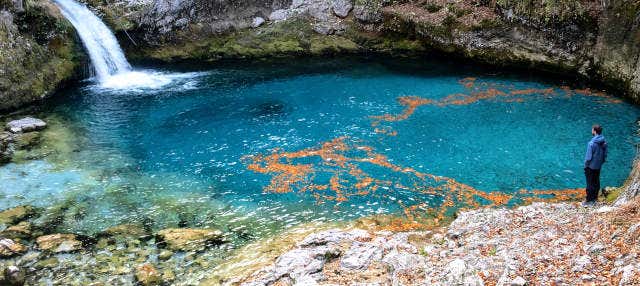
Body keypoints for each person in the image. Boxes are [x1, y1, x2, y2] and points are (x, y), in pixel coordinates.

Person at [584, 124, 607, 206]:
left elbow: (588, 157)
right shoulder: (604, 142)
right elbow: (605, 155)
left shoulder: (591, 143)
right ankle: (595, 198)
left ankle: (589, 201)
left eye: (592, 129)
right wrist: (600, 163)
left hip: (590, 166)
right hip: (598, 166)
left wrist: (586, 165)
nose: (591, 131)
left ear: (594, 131)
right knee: (596, 181)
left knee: (589, 183)